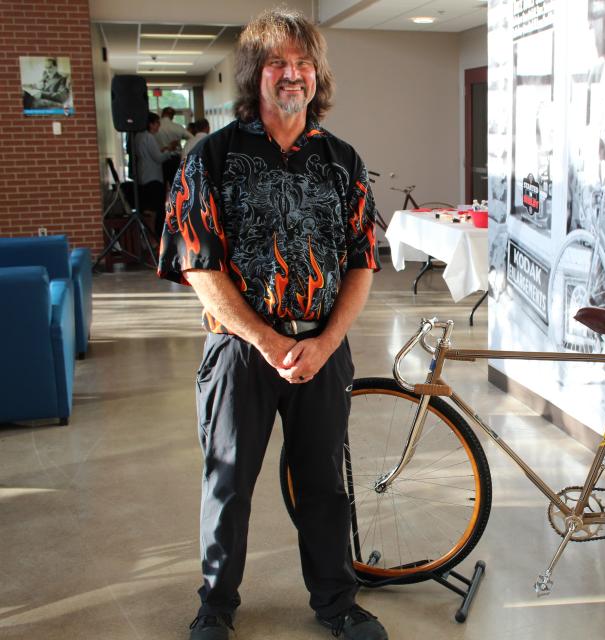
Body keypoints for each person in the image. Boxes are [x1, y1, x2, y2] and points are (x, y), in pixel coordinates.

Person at [157, 8, 386, 640]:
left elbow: (363, 262)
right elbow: (197, 264)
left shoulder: (342, 161)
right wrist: (269, 340)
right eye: (279, 63)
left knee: (323, 484)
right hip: (239, 352)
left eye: (304, 63)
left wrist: (323, 344)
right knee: (228, 483)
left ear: (318, 76)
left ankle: (338, 603)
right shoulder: (212, 158)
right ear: (255, 74)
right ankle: (216, 605)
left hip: (322, 348)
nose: (293, 75)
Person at [135, 112, 178, 239]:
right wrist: (170, 151)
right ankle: (153, 237)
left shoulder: (138, 136)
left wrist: (164, 149)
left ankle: (147, 237)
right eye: (157, 123)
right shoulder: (149, 137)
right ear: (151, 124)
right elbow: (158, 158)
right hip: (153, 176)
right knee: (154, 211)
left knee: (147, 209)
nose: (159, 126)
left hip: (143, 175)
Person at [156, 106, 194, 187]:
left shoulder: (156, 127)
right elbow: (192, 138)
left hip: (160, 159)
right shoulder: (178, 127)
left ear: (162, 114)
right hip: (175, 160)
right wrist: (183, 149)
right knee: (176, 186)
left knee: (161, 186)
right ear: (173, 116)